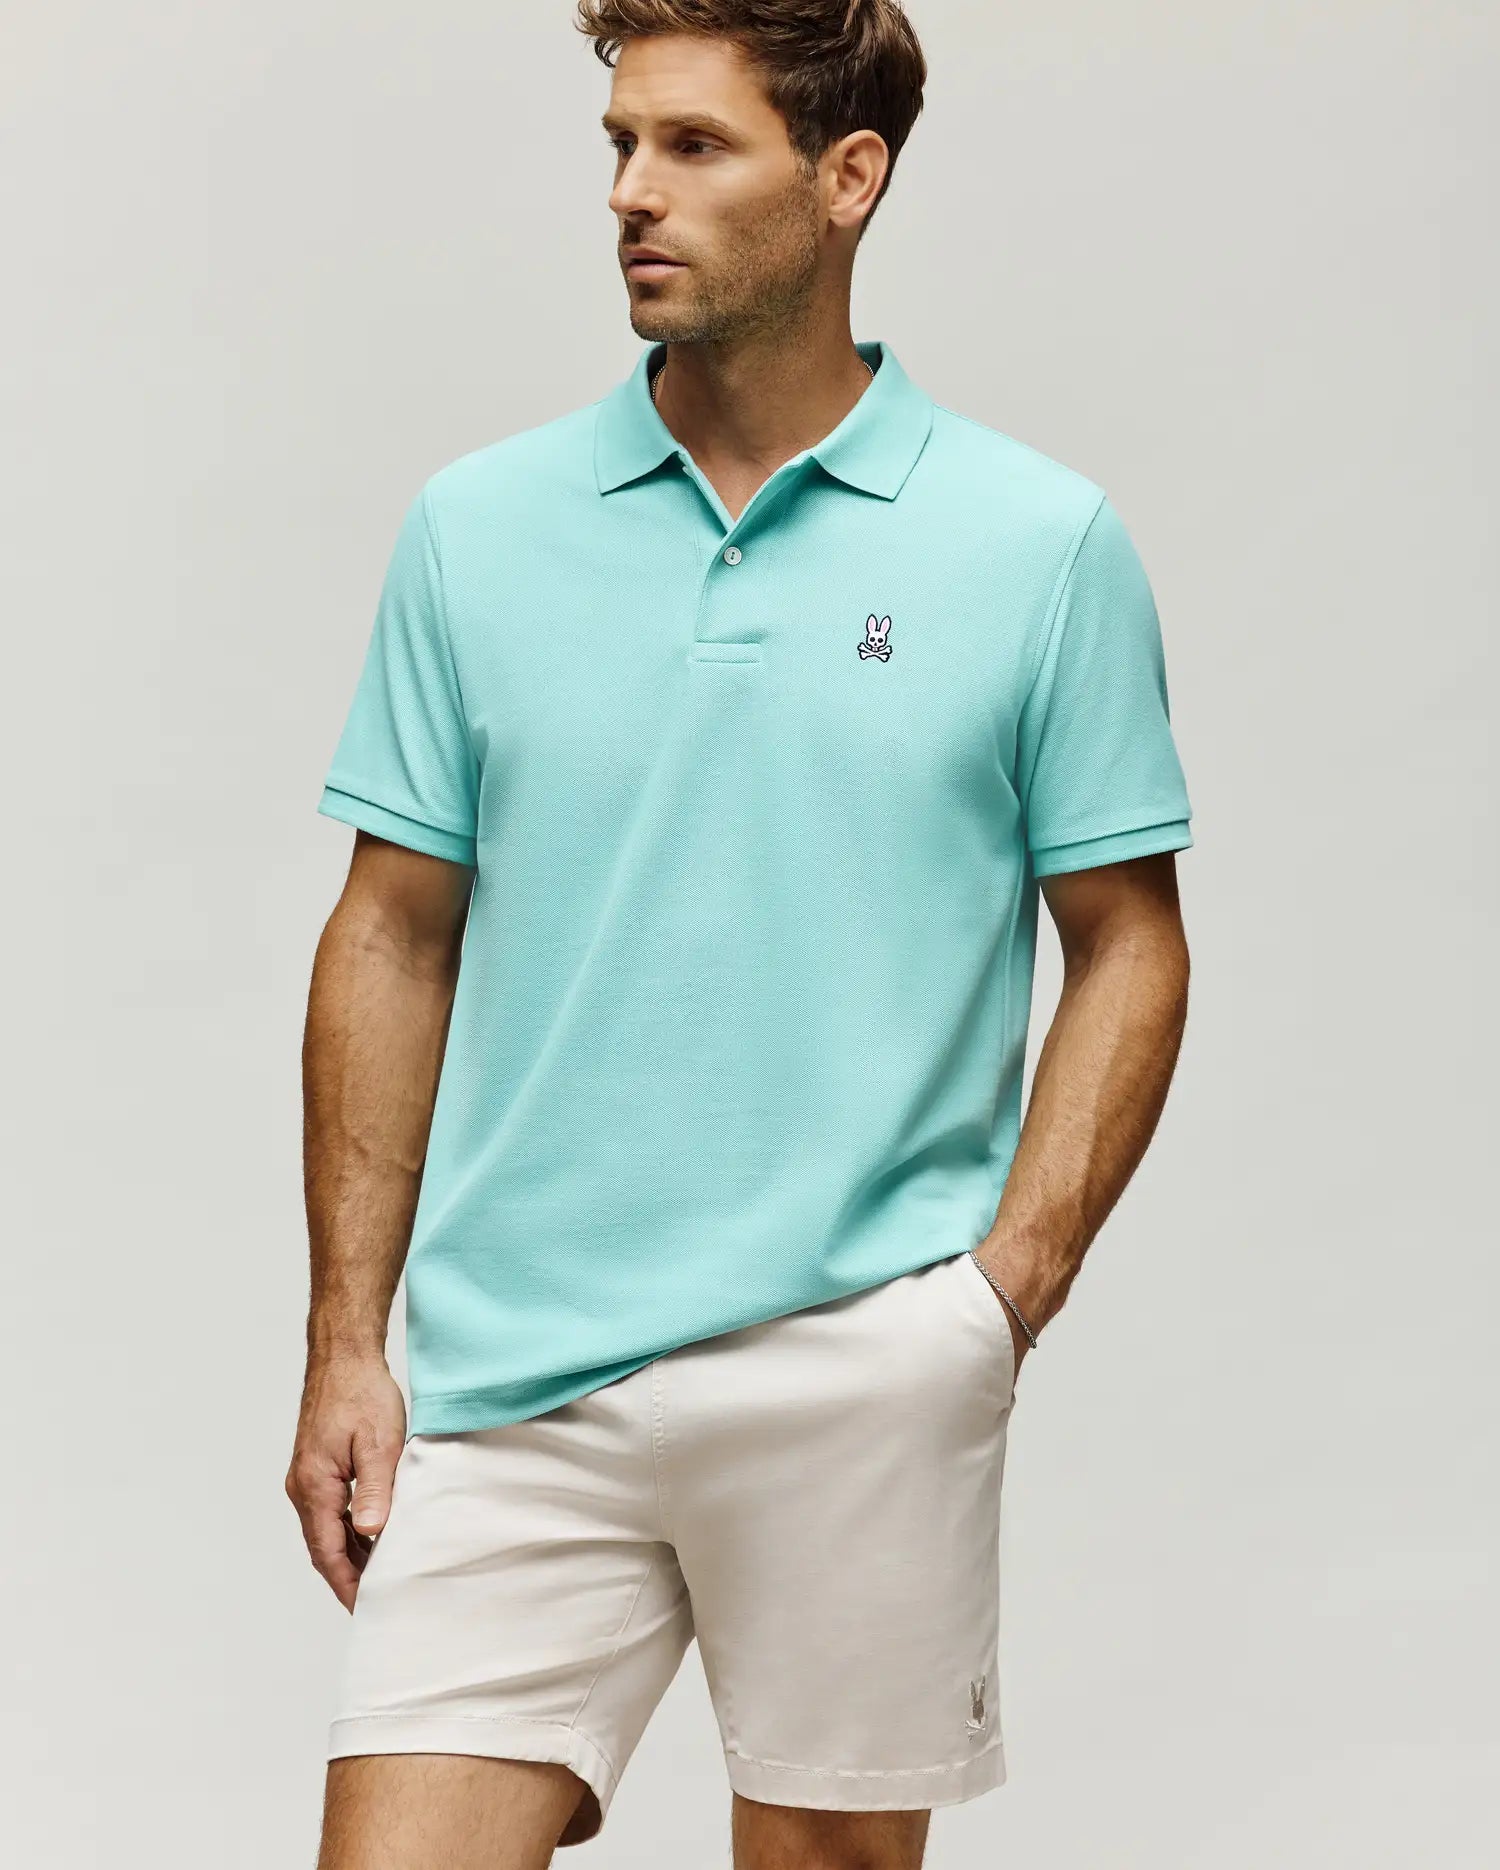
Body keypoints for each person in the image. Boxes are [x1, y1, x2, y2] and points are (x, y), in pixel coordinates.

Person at [287, 4, 1194, 1865]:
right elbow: (391, 934)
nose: (632, 191)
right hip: (519, 1376)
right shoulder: (478, 529)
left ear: (849, 178)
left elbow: (1128, 938)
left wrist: (998, 1296)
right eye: (621, 143)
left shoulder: (1038, 544)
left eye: (695, 146)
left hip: (861, 1361)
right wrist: (345, 1341)